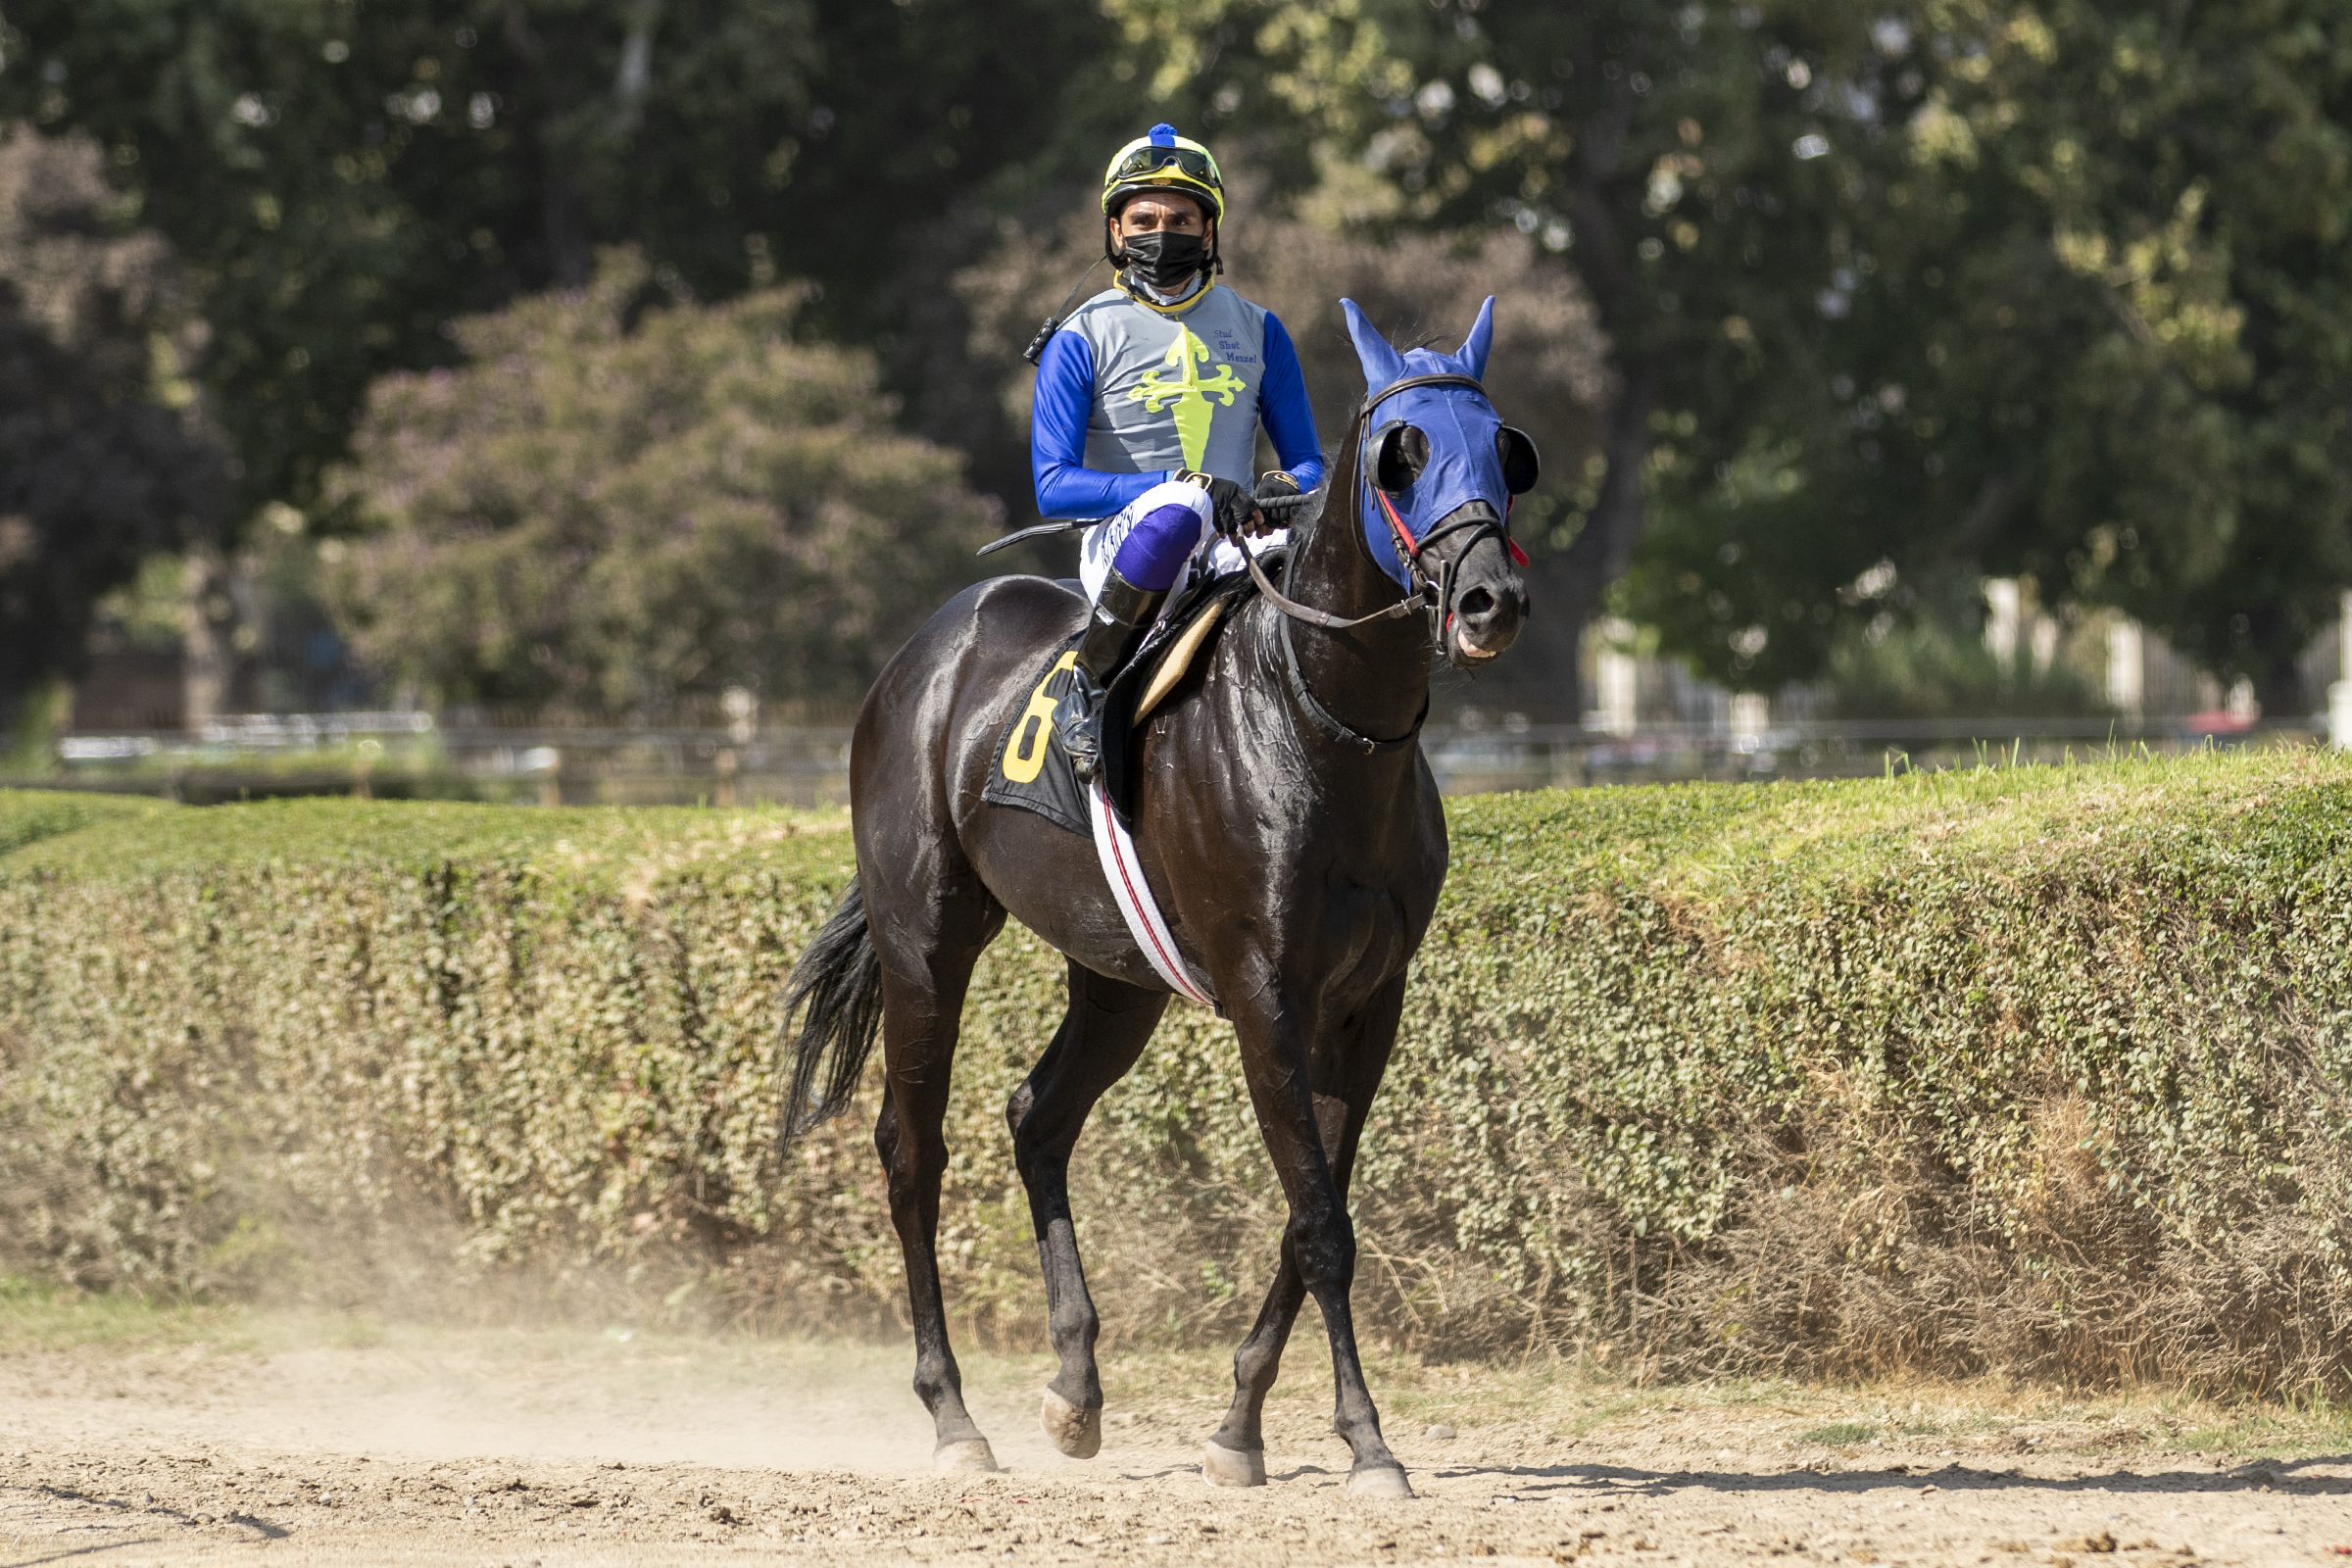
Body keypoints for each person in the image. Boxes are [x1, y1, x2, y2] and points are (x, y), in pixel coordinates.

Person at [1031, 123, 1326, 781]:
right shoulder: (1078, 336)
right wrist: (1184, 483)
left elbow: (1310, 464)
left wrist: (1284, 484)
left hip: (1234, 540)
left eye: (1182, 220)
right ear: (1115, 232)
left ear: (1209, 230)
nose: (1162, 233)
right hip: (1126, 543)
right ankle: (1089, 682)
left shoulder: (1262, 329)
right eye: (1144, 220)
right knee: (1182, 508)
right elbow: (1052, 485)